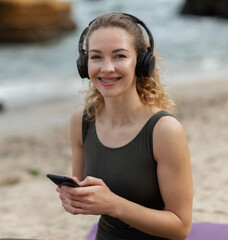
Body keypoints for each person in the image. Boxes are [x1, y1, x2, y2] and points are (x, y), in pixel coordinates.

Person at [56, 12, 193, 240]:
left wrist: (114, 205)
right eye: (96, 57)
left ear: (141, 63)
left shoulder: (165, 130)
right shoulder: (81, 121)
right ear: (84, 64)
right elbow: (83, 190)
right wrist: (73, 197)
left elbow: (180, 228)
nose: (107, 68)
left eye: (119, 56)